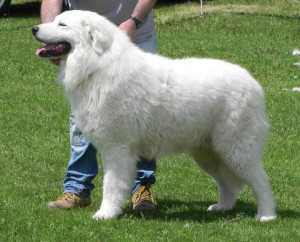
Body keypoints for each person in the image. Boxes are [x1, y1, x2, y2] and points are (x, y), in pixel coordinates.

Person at [40, 0, 158, 213]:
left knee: (142, 114)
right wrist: (52, 37)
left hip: (135, 33)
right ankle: (77, 188)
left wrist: (134, 21)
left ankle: (141, 188)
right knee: (84, 115)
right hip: (83, 40)